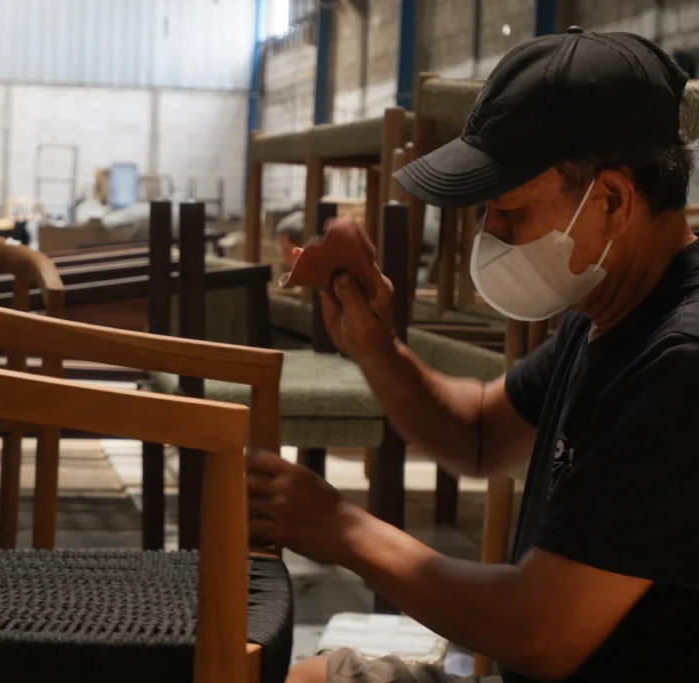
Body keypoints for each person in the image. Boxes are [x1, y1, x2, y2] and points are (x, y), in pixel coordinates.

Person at [248, 27, 699, 683]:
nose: (490, 235)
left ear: (611, 199)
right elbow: (481, 434)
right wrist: (378, 347)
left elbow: (541, 631)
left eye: (508, 211)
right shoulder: (607, 311)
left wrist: (339, 526)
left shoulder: (680, 361)